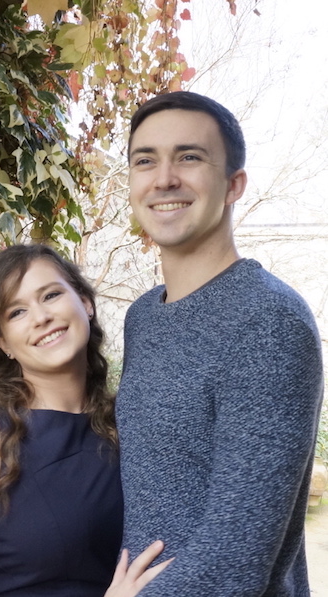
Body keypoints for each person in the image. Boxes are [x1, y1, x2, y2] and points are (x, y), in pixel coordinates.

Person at [116, 91, 324, 596]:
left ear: (233, 184)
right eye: (146, 160)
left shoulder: (268, 320)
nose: (164, 178)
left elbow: (235, 560)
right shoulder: (142, 317)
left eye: (189, 157)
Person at [0, 244, 170, 597]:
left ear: (86, 304)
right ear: (2, 342)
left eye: (51, 295)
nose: (40, 317)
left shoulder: (129, 421)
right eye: (16, 312)